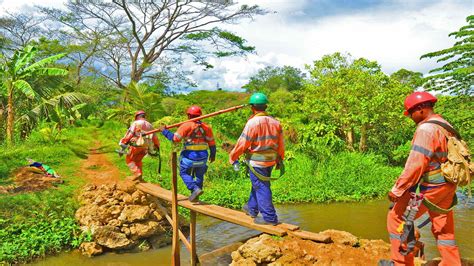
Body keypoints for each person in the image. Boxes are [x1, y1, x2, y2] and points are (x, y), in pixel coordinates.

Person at [386, 91, 461, 266]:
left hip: (431, 188)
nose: (411, 117)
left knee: (397, 217)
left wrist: (397, 190)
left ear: (420, 109)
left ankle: (401, 262)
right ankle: (452, 263)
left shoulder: (426, 129)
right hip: (448, 186)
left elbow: (416, 164)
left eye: (411, 113)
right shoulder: (445, 125)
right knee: (443, 227)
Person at [229, 92, 284, 226]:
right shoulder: (276, 122)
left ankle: (269, 218)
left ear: (252, 107)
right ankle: (251, 208)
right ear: (265, 106)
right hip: (270, 161)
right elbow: (281, 144)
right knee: (259, 185)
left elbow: (243, 143)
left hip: (257, 162)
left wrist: (233, 156)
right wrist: (280, 159)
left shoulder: (252, 123)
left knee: (261, 187)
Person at [159, 106, 216, 202]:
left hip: (189, 157)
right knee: (199, 175)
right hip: (203, 157)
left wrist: (164, 131)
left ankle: (195, 189)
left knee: (184, 172)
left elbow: (175, 139)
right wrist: (213, 155)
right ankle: (196, 195)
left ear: (188, 115)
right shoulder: (207, 127)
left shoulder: (186, 125)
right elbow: (212, 143)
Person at [120, 110, 160, 182]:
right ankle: (140, 177)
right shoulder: (150, 125)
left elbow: (130, 134)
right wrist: (157, 146)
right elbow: (155, 138)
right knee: (138, 161)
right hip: (145, 147)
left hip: (136, 145)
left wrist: (124, 143)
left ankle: (137, 173)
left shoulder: (135, 123)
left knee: (129, 159)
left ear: (137, 117)